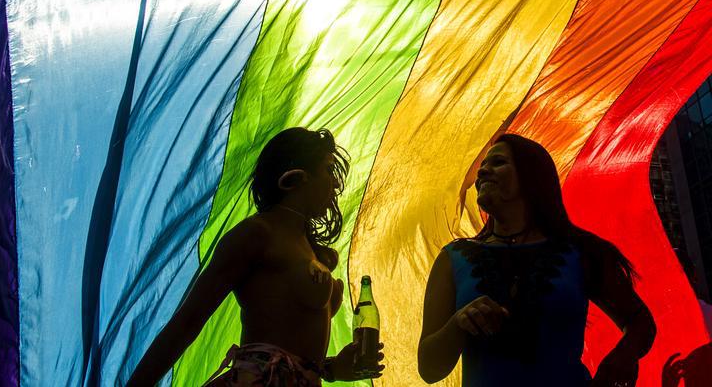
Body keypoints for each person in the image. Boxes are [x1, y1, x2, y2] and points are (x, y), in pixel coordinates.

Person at [127, 127, 384, 386]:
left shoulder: (314, 251)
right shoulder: (256, 234)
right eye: (329, 170)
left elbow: (294, 353)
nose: (337, 183)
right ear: (297, 177)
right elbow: (187, 323)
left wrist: (331, 369)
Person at [418, 134, 656, 386]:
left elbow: (641, 324)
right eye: (482, 168)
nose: (483, 172)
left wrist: (621, 357)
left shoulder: (582, 251)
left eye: (497, 162)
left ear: (531, 176)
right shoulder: (452, 259)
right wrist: (458, 323)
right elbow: (429, 370)